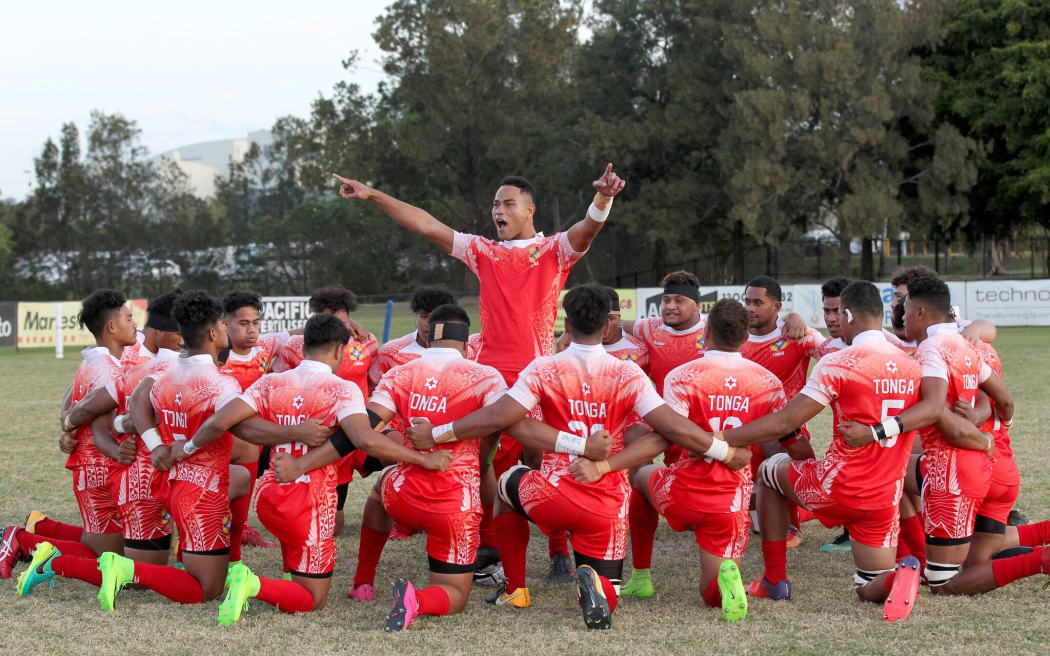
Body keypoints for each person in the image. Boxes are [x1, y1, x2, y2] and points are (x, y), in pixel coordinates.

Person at [332, 164, 626, 582]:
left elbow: (587, 230)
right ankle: (489, 544)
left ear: (530, 210)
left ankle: (559, 551)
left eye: (508, 203)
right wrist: (374, 195)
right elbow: (427, 226)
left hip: (538, 374)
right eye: (494, 204)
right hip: (487, 376)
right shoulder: (483, 251)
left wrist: (603, 198)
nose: (498, 211)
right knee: (482, 458)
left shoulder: (553, 251)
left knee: (542, 457)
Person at [406, 285, 751, 630]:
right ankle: (598, 591)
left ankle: (516, 589)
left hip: (552, 493)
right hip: (606, 504)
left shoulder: (544, 368)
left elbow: (501, 419)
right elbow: (672, 430)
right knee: (609, 589)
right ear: (606, 326)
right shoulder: (628, 373)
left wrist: (437, 433)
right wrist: (724, 451)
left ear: (566, 325)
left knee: (509, 483)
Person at [174, 312, 451, 625]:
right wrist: (421, 459)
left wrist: (185, 449)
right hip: (309, 503)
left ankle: (282, 580)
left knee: (295, 561)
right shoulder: (342, 389)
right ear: (338, 351)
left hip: (269, 495)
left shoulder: (270, 382)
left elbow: (223, 422)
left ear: (304, 346)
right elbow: (364, 439)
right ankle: (252, 584)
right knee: (312, 599)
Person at [721, 281, 925, 620]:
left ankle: (774, 580)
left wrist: (724, 436)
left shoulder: (840, 363)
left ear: (848, 314)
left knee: (770, 471)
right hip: (884, 496)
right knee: (867, 586)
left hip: (839, 484)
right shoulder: (912, 364)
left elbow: (785, 420)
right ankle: (899, 578)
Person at [838, 276, 1018, 597]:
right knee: (971, 567)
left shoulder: (932, 348)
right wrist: (991, 426)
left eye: (905, 309)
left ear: (920, 311)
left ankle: (1040, 560)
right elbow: (1003, 401)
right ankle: (915, 558)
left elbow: (933, 408)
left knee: (943, 583)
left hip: (950, 471)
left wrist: (876, 432)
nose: (902, 317)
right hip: (978, 467)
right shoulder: (966, 344)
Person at [630, 298, 787, 621]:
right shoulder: (769, 383)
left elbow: (673, 432)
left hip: (683, 490)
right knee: (711, 596)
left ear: (705, 333)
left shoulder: (682, 376)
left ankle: (640, 575)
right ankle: (725, 584)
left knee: (641, 475)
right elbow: (774, 433)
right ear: (745, 338)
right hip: (730, 502)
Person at [0, 290, 138, 579]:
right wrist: (70, 423)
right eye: (129, 318)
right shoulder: (104, 369)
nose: (134, 323)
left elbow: (70, 397)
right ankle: (20, 540)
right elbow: (85, 405)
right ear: (112, 327)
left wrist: (67, 422)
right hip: (97, 467)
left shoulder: (98, 362)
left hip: (97, 466)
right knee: (105, 560)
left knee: (107, 545)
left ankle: (40, 528)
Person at [273, 286, 380, 536]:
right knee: (328, 526)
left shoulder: (367, 342)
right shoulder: (295, 347)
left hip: (356, 429)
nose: (338, 325)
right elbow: (278, 383)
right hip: (318, 433)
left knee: (396, 446)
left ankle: (405, 510)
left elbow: (375, 381)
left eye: (342, 318)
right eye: (329, 318)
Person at [217, 290, 293, 550]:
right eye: (244, 323)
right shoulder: (215, 356)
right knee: (215, 495)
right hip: (217, 437)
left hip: (253, 440)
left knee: (242, 495)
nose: (252, 330)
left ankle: (240, 531)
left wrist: (351, 325)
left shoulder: (264, 348)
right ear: (225, 325)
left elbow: (296, 334)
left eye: (255, 323)